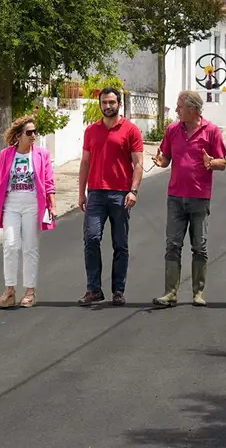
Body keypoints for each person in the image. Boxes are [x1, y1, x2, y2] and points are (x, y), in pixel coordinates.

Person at [151, 90, 226, 307]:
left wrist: (211, 163)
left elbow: (222, 163)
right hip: (175, 197)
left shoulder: (211, 131)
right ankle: (170, 293)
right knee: (172, 245)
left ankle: (198, 293)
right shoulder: (173, 130)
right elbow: (166, 158)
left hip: (200, 198)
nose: (176, 110)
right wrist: (160, 161)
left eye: (179, 106)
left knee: (199, 246)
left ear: (192, 109)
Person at [78, 87, 145, 306]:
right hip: (96, 193)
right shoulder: (91, 131)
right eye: (104, 102)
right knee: (91, 239)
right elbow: (85, 162)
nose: (108, 106)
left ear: (119, 104)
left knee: (120, 244)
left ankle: (118, 290)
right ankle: (94, 289)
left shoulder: (131, 130)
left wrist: (133, 191)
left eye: (112, 102)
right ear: (100, 104)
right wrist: (81, 193)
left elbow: (138, 164)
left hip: (120, 194)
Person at [0, 115, 57, 308]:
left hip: (33, 205)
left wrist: (53, 206)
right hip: (11, 204)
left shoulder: (42, 155)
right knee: (10, 245)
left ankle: (30, 292)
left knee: (30, 247)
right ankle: (9, 291)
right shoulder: (6, 154)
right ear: (18, 136)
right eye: (29, 132)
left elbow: (49, 183)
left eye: (35, 132)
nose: (33, 135)